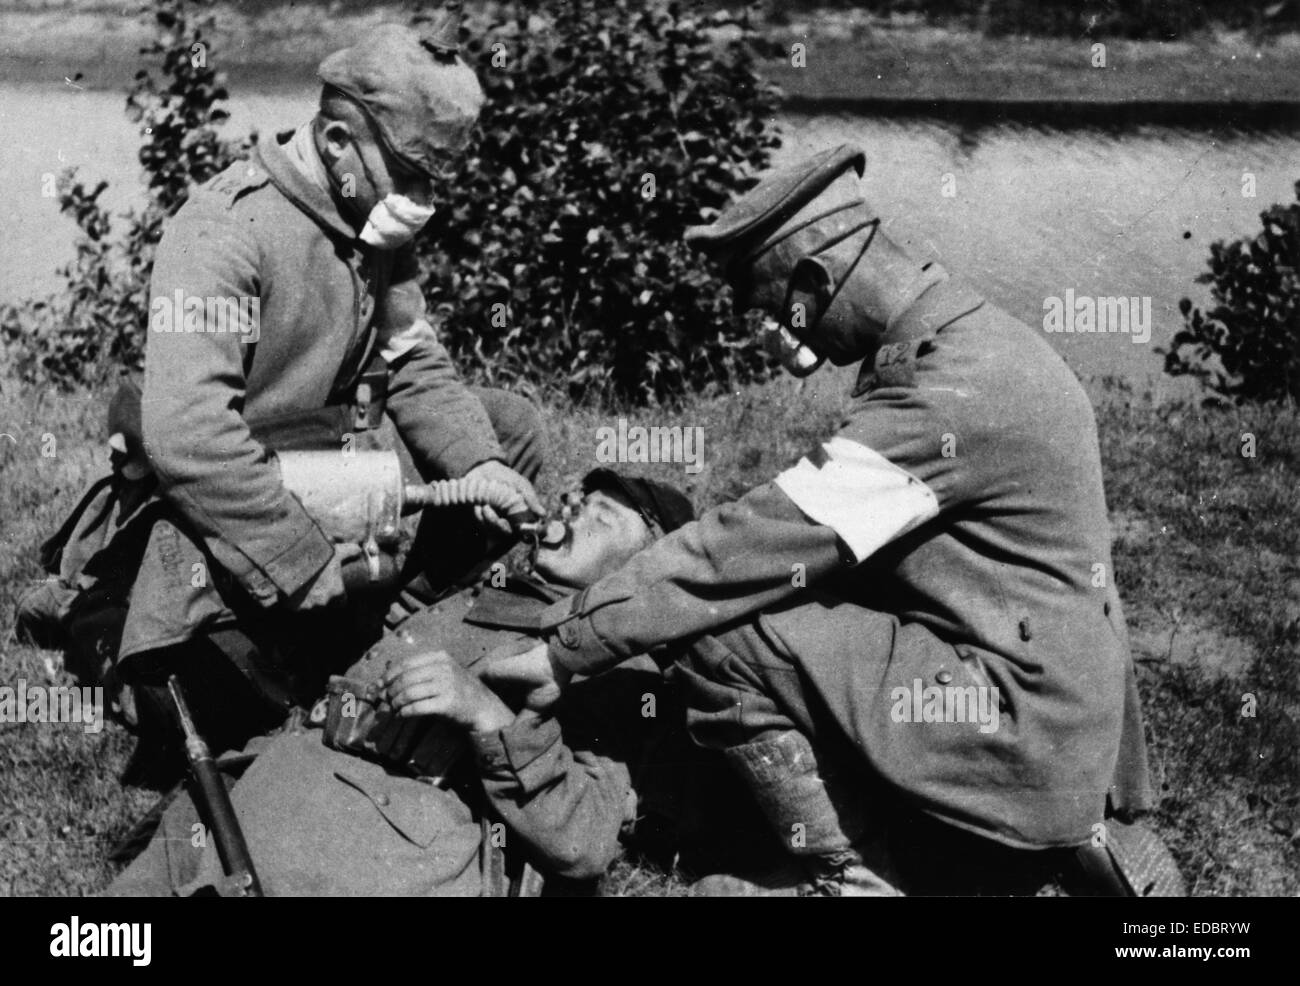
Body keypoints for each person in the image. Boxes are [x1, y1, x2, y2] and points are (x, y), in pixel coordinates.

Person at [489, 144, 1183, 896]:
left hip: (1023, 723)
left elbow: (751, 546)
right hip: (1058, 705)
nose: (779, 338)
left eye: (769, 309)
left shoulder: (945, 388)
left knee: (719, 630)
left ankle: (857, 877)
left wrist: (565, 650)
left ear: (814, 283)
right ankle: (1046, 843)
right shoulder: (972, 339)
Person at [99, 10, 544, 757]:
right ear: (338, 141)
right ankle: (304, 649)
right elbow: (189, 437)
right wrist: (302, 563)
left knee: (509, 428)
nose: (422, 201)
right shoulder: (223, 232)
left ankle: (395, 633)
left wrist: (482, 466)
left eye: (434, 180)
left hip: (338, 464)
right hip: (238, 489)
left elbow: (410, 359)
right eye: (408, 175)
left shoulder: (369, 218)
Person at [106, 469, 770, 896]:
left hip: (368, 855)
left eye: (604, 512)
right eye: (576, 496)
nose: (573, 509)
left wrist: (493, 718)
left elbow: (587, 842)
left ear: (650, 558)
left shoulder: (624, 673)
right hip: (250, 796)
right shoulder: (485, 587)